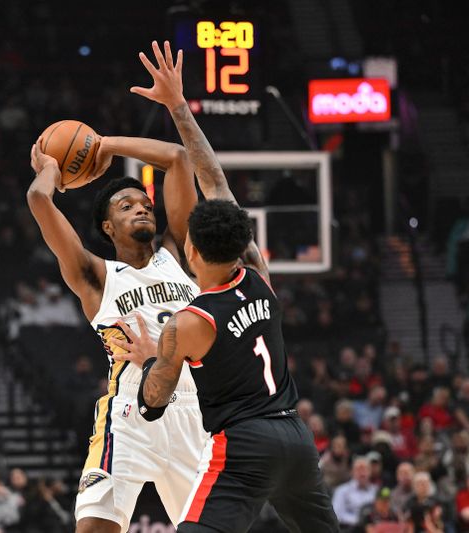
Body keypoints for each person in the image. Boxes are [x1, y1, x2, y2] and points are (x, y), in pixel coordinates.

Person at [118, 41, 338, 532]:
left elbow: (154, 402)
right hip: (297, 439)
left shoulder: (190, 321)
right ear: (242, 242)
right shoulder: (258, 274)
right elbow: (212, 176)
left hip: (245, 444)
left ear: (191, 251)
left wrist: (152, 358)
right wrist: (178, 105)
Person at [27, 75, 209, 531]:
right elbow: (37, 198)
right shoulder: (95, 275)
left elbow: (177, 158)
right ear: (108, 228)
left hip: (195, 409)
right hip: (129, 413)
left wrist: (103, 145)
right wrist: (51, 169)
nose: (142, 207)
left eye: (144, 202)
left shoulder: (179, 256)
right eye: (126, 206)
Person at [332, 457, 379, 528]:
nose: (362, 473)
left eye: (365, 469)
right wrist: (360, 521)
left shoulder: (376, 490)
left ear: (370, 472)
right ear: (352, 472)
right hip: (349, 529)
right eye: (359, 469)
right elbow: (337, 515)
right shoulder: (342, 491)